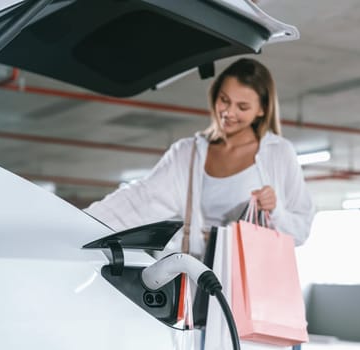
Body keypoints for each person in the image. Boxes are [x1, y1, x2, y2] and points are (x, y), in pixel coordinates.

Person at [85, 57, 315, 259]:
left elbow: (301, 231)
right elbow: (140, 200)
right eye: (224, 99)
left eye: (242, 106)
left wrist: (275, 211)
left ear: (262, 110)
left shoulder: (278, 153)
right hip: (198, 280)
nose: (229, 112)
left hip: (253, 285)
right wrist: (81, 222)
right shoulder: (187, 153)